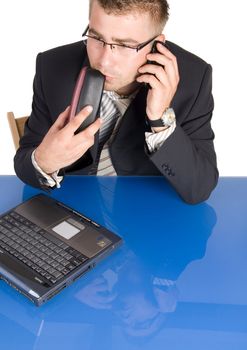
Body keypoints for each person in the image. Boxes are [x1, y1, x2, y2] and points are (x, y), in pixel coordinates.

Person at [14, 0, 218, 204]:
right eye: (96, 37)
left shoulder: (194, 78)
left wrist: (160, 119)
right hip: (71, 207)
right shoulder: (52, 66)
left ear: (158, 45)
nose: (104, 61)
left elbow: (198, 189)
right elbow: (24, 164)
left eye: (124, 45)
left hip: (148, 213)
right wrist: (44, 161)